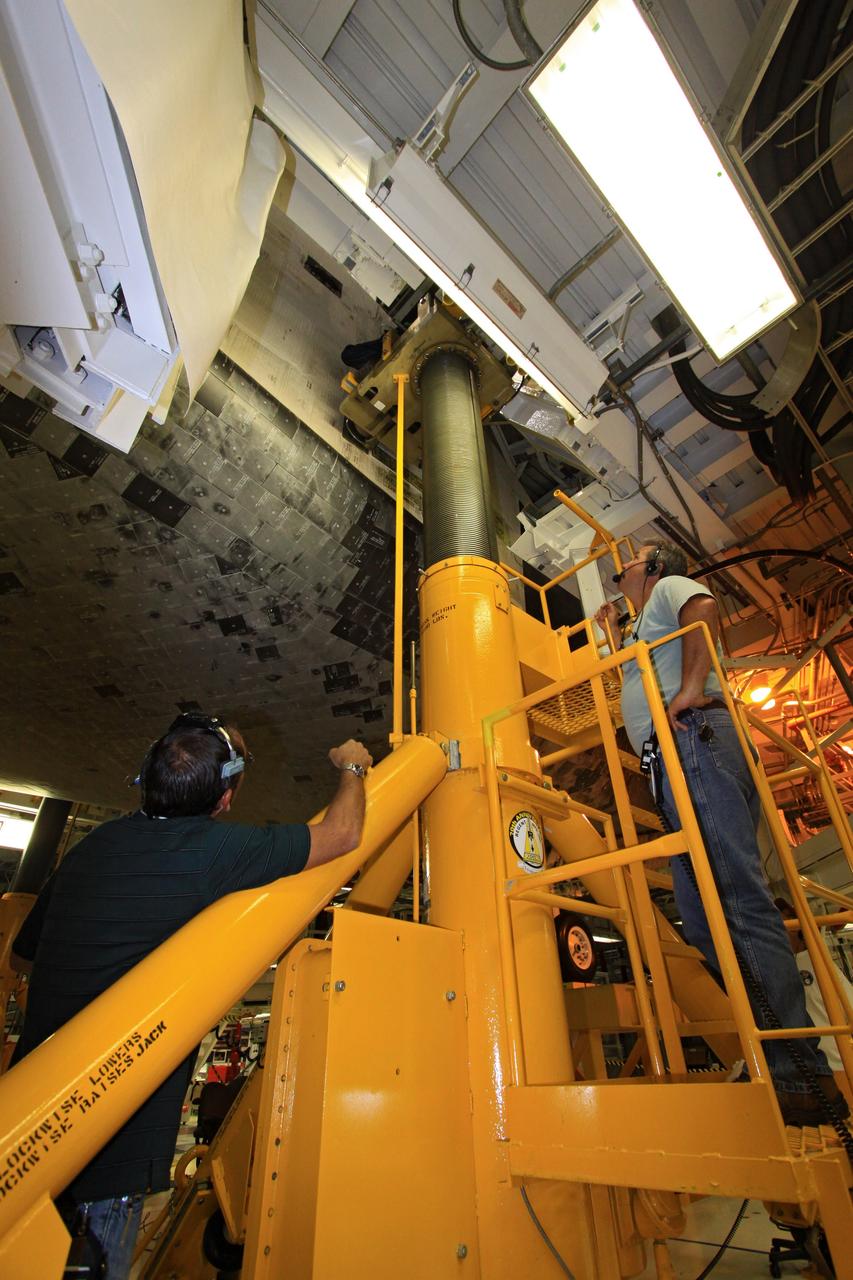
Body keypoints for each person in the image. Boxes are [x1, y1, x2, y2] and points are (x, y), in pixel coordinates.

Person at [10, 712, 372, 1278]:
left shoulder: (90, 848)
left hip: (24, 1118)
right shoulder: (216, 852)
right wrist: (353, 765)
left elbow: (21, 955)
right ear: (224, 800)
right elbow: (343, 835)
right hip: (107, 1157)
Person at [594, 544, 848, 1126]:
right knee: (704, 915)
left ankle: (797, 1074)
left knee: (733, 899)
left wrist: (689, 688)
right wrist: (616, 634)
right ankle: (782, 1054)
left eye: (627, 561)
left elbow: (703, 611)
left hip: (691, 738)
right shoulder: (643, 622)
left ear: (654, 566)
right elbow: (643, 662)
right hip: (672, 757)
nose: (618, 567)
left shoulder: (668, 590)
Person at [775, 897, 853, 1077]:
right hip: (815, 1066)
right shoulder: (785, 966)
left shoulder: (814, 964)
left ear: (798, 928)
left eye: (781, 923)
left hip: (835, 1065)